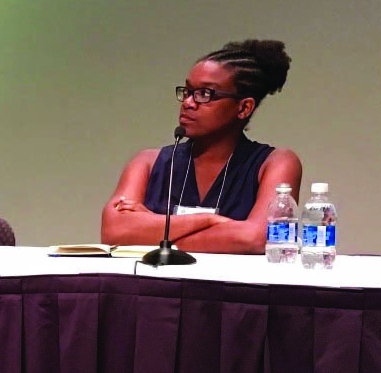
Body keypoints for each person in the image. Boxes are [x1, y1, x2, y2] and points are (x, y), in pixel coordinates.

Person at [101, 39, 302, 254]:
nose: (188, 102)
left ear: (244, 107)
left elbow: (255, 239)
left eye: (205, 94)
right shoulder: (147, 162)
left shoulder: (276, 163)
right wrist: (210, 221)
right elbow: (114, 232)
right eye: (187, 92)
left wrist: (153, 227)